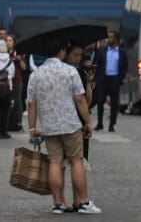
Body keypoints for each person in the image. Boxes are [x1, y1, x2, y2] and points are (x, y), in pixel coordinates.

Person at [26, 42, 100, 215]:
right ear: (61, 52)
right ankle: (83, 202)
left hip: (49, 126)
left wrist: (32, 128)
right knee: (76, 161)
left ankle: (58, 203)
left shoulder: (36, 74)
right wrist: (88, 122)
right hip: (70, 124)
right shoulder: (70, 71)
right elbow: (80, 100)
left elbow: (31, 103)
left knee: (55, 162)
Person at [93, 28, 126, 133]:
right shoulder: (102, 51)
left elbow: (125, 66)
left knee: (114, 103)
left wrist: (121, 79)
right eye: (108, 37)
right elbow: (96, 65)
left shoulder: (121, 52)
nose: (109, 39)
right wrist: (96, 79)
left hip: (115, 78)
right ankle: (100, 123)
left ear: (116, 39)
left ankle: (112, 124)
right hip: (103, 79)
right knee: (100, 102)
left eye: (111, 37)